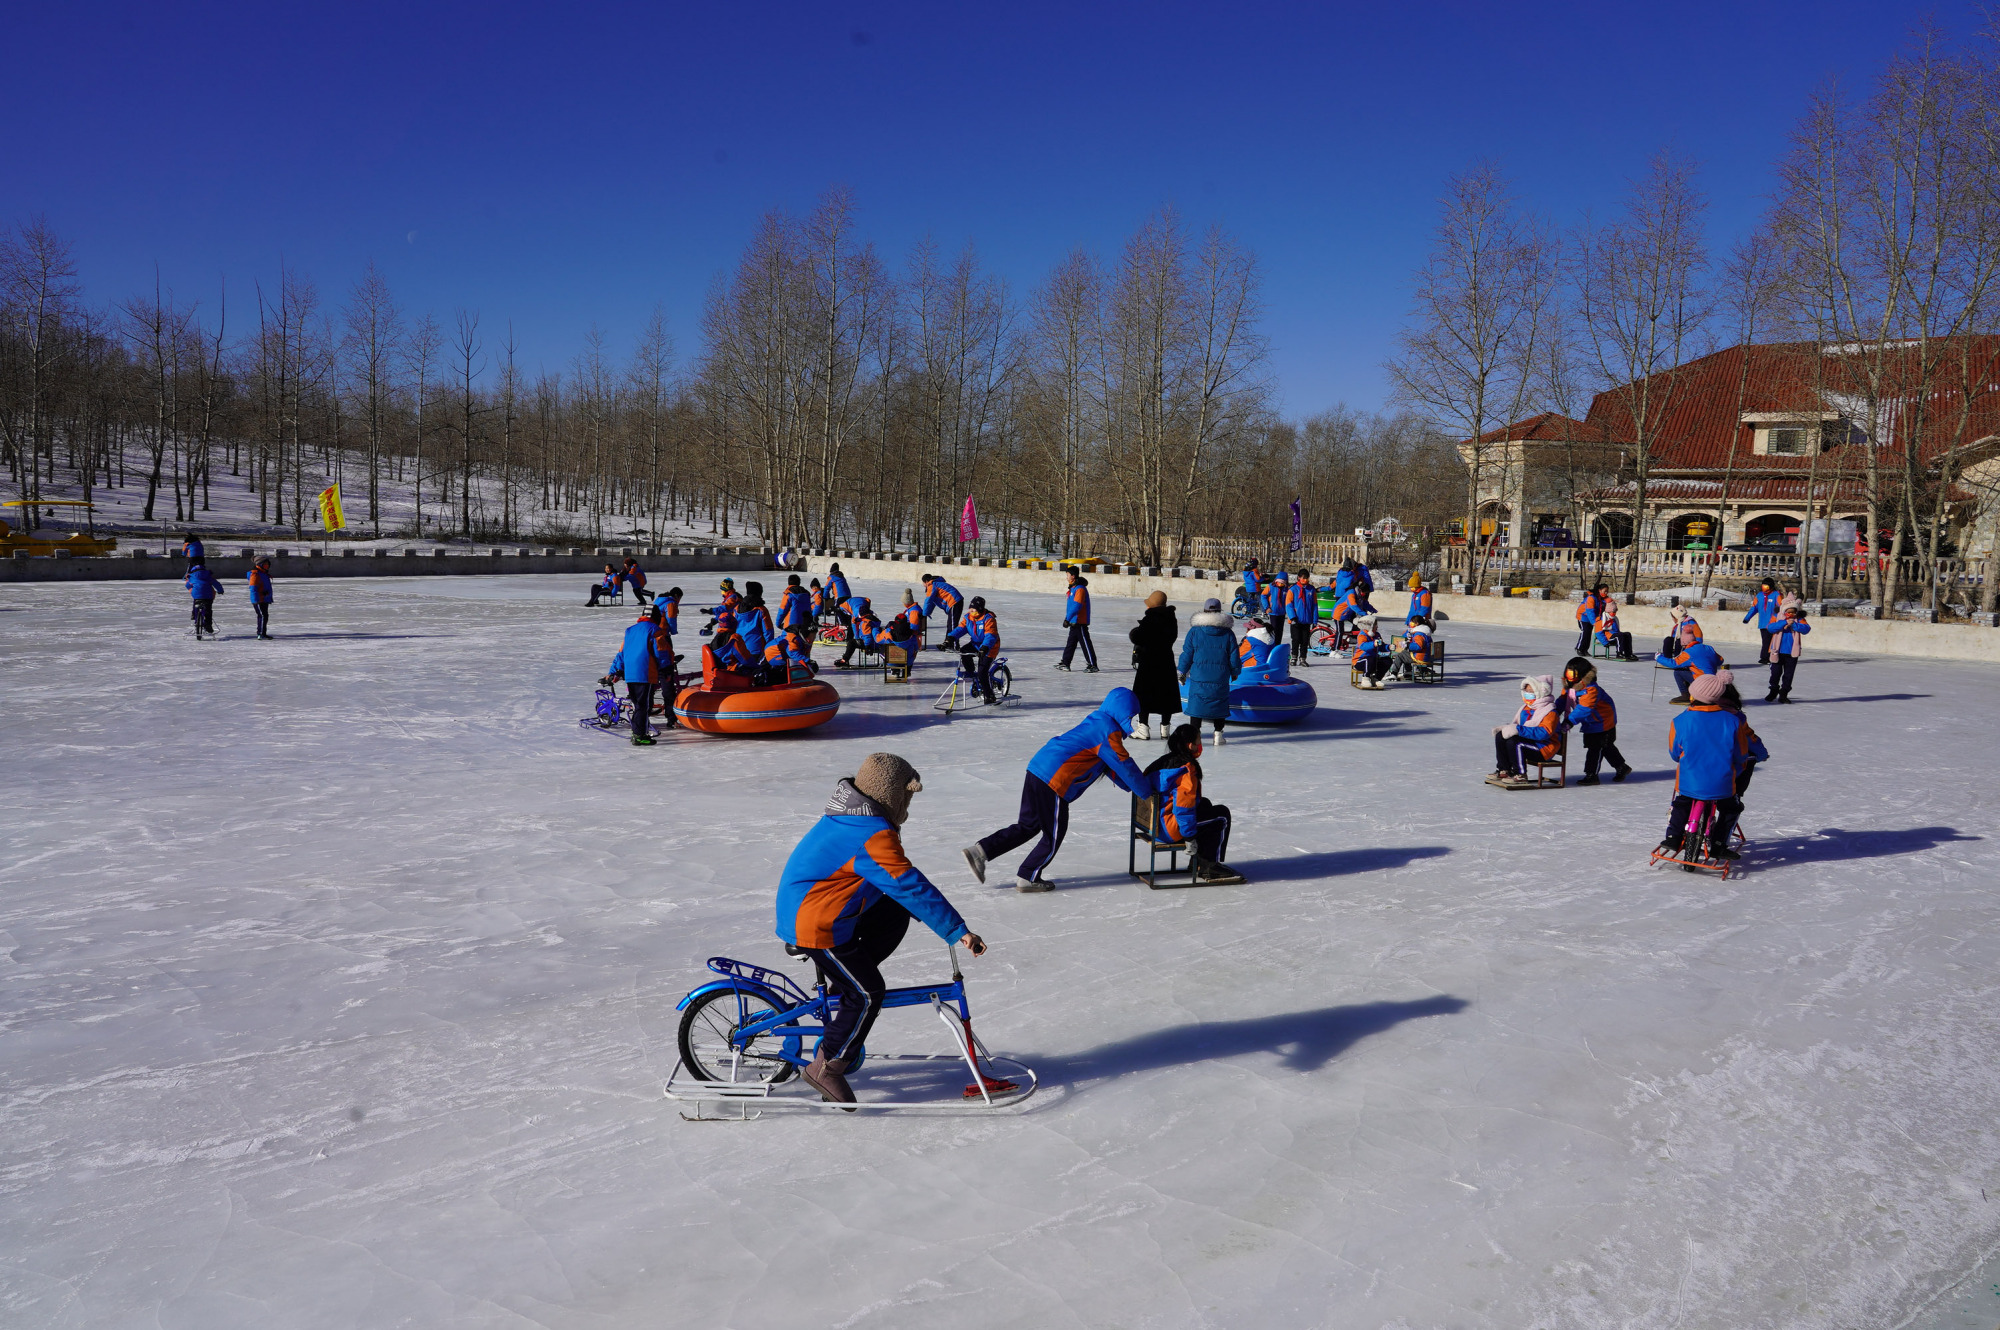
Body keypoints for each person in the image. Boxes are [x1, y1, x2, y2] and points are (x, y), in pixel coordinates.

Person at [776, 753, 987, 1105]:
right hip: (817, 923)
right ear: (894, 796)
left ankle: (851, 982)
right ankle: (826, 1068)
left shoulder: (852, 817)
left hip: (823, 907)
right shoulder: (871, 833)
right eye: (907, 799)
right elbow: (909, 884)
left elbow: (894, 886)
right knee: (867, 993)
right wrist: (957, 930)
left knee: (895, 911)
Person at [962, 687, 1147, 892]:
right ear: (1123, 711)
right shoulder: (1107, 730)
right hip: (1053, 780)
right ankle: (1028, 876)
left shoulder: (1097, 722)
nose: (1133, 721)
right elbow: (1124, 765)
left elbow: (1110, 767)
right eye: (1132, 716)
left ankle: (980, 851)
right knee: (1054, 834)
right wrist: (1147, 791)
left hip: (1037, 770)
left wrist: (1131, 787)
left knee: (1027, 826)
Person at [1658, 669, 1769, 862]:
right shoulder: (1733, 721)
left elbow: (1674, 752)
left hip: (1689, 779)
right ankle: (1718, 844)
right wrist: (1739, 768)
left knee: (1681, 803)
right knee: (1731, 808)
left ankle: (1673, 836)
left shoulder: (1680, 720)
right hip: (1722, 781)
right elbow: (1741, 754)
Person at [1143, 722, 1242, 883]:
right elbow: (1183, 808)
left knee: (1205, 804)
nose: (1200, 745)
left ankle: (1199, 862)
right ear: (1190, 746)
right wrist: (1189, 838)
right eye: (1199, 741)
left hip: (1153, 824)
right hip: (1169, 830)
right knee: (1221, 815)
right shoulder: (1186, 770)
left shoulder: (1161, 762)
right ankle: (1209, 866)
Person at [604, 603, 674, 745]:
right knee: (642, 706)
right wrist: (666, 669)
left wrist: (614, 672)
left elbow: (621, 654)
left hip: (630, 673)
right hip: (644, 672)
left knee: (638, 705)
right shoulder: (655, 630)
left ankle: (637, 732)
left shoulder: (630, 631)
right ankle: (639, 735)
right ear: (655, 617)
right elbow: (660, 652)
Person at [1178, 597, 1241, 746]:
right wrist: (1235, 671)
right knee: (1219, 703)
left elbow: (1187, 653)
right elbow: (1234, 655)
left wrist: (1182, 671)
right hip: (1220, 676)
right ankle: (1218, 735)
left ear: (1204, 610)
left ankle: (1194, 736)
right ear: (1220, 611)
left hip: (1199, 675)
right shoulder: (1228, 633)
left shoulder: (1194, 631)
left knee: (1197, 705)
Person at [1562, 656, 1631, 784]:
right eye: (1568, 673)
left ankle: (1591, 775)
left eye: (1573, 674)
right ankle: (1622, 767)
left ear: (1582, 674)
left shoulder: (1591, 690)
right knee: (1605, 747)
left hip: (1603, 723)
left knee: (1596, 749)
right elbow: (1563, 700)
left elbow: (1584, 708)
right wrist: (1554, 711)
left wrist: (1569, 721)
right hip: (1591, 723)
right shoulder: (1572, 688)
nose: (1570, 678)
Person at [1489, 676, 1567, 786]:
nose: (1527, 693)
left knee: (1516, 742)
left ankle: (1520, 774)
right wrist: (1507, 728)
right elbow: (1517, 725)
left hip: (1544, 748)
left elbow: (1543, 733)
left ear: (1540, 692)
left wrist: (1518, 730)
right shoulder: (1526, 708)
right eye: (1526, 691)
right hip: (1531, 743)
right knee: (1501, 736)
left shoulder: (1550, 712)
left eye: (1531, 691)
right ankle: (1504, 770)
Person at [1127, 591, 1180, 739]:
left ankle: (1143, 727)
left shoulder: (1150, 619)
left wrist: (1134, 632)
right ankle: (1165, 728)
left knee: (1143, 694)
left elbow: (1138, 637)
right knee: (1166, 694)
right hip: (1166, 661)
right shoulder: (1171, 619)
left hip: (1149, 661)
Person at [1655, 617, 1724, 705]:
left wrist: (1658, 657)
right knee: (1688, 669)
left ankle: (1686, 695)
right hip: (1714, 682)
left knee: (1678, 672)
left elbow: (1674, 663)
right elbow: (1720, 660)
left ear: (1684, 642)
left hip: (1702, 683)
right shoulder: (1708, 648)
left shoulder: (1688, 652)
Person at [946, 595, 1002, 704]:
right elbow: (961, 629)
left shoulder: (988, 618)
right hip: (976, 644)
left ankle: (989, 695)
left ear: (980, 609)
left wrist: (985, 648)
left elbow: (990, 636)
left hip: (990, 647)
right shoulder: (968, 618)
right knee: (964, 651)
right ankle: (971, 672)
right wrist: (950, 638)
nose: (971, 610)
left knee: (982, 672)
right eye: (970, 608)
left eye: (974, 608)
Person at [1766, 603, 1811, 702]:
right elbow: (1770, 628)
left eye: (1793, 612)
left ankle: (1784, 693)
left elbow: (1806, 629)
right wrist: (1784, 623)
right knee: (1775, 673)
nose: (1790, 614)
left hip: (1791, 652)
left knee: (1789, 674)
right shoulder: (1777, 617)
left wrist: (1794, 624)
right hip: (1777, 651)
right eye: (1788, 612)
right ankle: (1773, 690)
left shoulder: (1799, 619)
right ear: (1784, 611)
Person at [1057, 570, 1097, 672]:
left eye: (1068, 575)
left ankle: (1093, 664)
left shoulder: (1080, 589)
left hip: (1080, 621)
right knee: (1071, 643)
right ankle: (1066, 663)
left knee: (1085, 643)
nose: (1066, 577)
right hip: (1074, 621)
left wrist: (1067, 618)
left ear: (1073, 576)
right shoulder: (1073, 589)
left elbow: (1077, 606)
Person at [1743, 577, 1784, 664]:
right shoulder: (1759, 596)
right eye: (1763, 586)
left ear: (1771, 587)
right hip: (1763, 623)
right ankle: (1765, 657)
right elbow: (1754, 608)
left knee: (1772, 641)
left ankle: (1769, 657)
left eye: (1767, 587)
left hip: (1774, 623)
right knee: (1766, 641)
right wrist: (1747, 618)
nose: (1764, 588)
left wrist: (1775, 618)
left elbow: (1781, 608)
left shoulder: (1777, 595)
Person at [837, 597, 887, 668]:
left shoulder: (865, 622)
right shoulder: (874, 619)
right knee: (853, 641)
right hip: (876, 642)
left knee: (851, 643)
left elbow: (867, 635)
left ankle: (845, 660)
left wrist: (867, 646)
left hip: (869, 644)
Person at [734, 581, 776, 663]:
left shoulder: (736, 609)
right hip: (756, 649)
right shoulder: (761, 610)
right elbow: (768, 631)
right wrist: (769, 648)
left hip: (739, 648)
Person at [919, 573, 964, 647]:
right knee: (950, 624)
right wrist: (927, 613)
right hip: (955, 601)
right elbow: (932, 602)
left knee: (952, 624)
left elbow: (929, 600)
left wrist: (924, 614)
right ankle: (948, 643)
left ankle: (954, 645)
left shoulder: (931, 585)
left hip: (954, 601)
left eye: (923, 583)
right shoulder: (937, 584)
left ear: (926, 581)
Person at [1285, 569, 1318, 665]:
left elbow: (1314, 605)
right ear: (1299, 578)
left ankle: (1303, 658)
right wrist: (1292, 617)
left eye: (1306, 578)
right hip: (1296, 620)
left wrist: (1315, 619)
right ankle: (1293, 657)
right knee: (1296, 640)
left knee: (1305, 641)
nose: (1305, 580)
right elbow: (1288, 604)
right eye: (1303, 578)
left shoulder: (1311, 589)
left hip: (1307, 620)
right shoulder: (1293, 589)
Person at [1350, 614, 1392, 688]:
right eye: (1375, 625)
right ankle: (1365, 678)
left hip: (1373, 660)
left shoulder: (1376, 635)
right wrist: (1374, 644)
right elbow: (1363, 646)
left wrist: (1389, 647)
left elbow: (1381, 646)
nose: (1377, 627)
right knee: (1370, 658)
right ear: (1370, 626)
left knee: (1387, 660)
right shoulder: (1362, 635)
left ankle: (1376, 678)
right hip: (1360, 661)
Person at [1391, 616, 1437, 681]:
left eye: (1412, 622)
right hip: (1426, 656)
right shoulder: (1424, 632)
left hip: (1421, 657)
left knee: (1401, 655)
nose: (1410, 623)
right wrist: (1408, 633)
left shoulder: (1419, 634)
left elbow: (1418, 646)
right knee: (1406, 653)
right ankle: (1408, 672)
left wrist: (1407, 644)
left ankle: (1394, 673)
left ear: (1417, 623)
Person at [186, 562, 224, 636]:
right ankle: (208, 625)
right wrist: (220, 591)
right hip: (207, 595)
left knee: (196, 601)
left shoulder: (192, 576)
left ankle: (194, 615)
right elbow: (216, 584)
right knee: (208, 610)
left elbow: (187, 585)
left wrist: (192, 588)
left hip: (196, 594)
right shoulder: (208, 575)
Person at [1595, 596, 1635, 660]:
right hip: (1608, 637)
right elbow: (1598, 633)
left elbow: (1616, 630)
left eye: (1615, 612)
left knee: (1627, 634)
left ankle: (1628, 653)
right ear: (1608, 611)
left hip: (1615, 635)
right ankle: (1619, 653)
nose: (1614, 614)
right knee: (1619, 636)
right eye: (1612, 612)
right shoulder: (1601, 620)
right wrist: (1605, 642)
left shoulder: (1614, 619)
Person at [1575, 583, 1610, 655]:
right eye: (1605, 591)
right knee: (1585, 632)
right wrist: (1594, 622)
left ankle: (1585, 650)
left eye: (1607, 591)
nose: (1606, 593)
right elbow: (1590, 611)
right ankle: (1579, 648)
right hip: (1583, 616)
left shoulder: (1602, 599)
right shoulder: (1591, 598)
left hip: (1593, 618)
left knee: (1589, 634)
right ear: (1599, 590)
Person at [245, 556, 274, 638]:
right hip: (259, 599)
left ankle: (263, 633)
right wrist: (257, 599)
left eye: (268, 565)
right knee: (261, 615)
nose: (267, 566)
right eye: (265, 565)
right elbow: (253, 588)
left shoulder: (263, 573)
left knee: (265, 615)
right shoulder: (255, 574)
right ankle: (260, 633)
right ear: (260, 564)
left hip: (264, 599)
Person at [825, 564, 852, 637]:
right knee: (846, 610)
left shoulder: (831, 577)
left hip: (839, 596)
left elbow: (827, 588)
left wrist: (825, 597)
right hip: (848, 596)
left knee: (837, 609)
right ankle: (848, 623)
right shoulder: (842, 577)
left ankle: (842, 624)